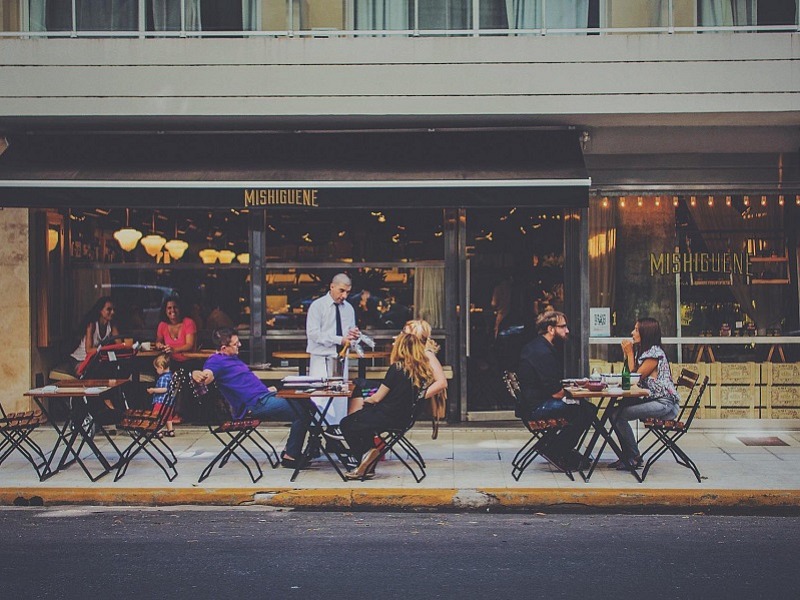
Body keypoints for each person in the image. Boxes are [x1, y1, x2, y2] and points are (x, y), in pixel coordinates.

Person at [192, 327, 313, 469]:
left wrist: (267, 389)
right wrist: (196, 374)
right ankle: (291, 456)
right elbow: (207, 376)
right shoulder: (216, 361)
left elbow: (244, 383)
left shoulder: (232, 358)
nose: (240, 345)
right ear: (224, 348)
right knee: (303, 411)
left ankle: (296, 450)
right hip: (255, 405)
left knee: (307, 403)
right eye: (236, 344)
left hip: (264, 396)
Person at [339, 331, 447, 480]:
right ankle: (368, 463)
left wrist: (365, 401)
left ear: (401, 348)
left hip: (387, 416)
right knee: (363, 423)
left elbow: (377, 398)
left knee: (347, 423)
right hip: (404, 418)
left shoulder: (396, 368)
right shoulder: (422, 371)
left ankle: (366, 455)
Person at [517, 310, 597, 472]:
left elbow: (553, 384)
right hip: (537, 407)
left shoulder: (540, 347)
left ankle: (561, 449)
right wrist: (577, 391)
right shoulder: (542, 352)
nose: (567, 331)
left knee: (585, 409)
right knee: (584, 411)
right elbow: (556, 392)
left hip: (533, 403)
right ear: (550, 329)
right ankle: (556, 450)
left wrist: (575, 387)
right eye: (563, 327)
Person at [608, 317, 680, 471]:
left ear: (645, 333)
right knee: (614, 411)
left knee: (618, 415)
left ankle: (632, 456)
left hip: (664, 404)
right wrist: (630, 354)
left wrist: (629, 353)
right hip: (654, 399)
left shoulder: (654, 354)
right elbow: (630, 375)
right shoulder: (645, 352)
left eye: (636, 329)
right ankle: (627, 456)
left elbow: (634, 378)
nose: (632, 333)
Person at [306, 273, 360, 424]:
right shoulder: (318, 306)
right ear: (332, 286)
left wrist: (354, 336)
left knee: (340, 400)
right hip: (321, 358)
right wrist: (339, 339)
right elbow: (313, 334)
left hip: (341, 359)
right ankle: (316, 437)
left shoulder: (348, 308)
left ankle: (335, 434)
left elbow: (350, 335)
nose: (344, 295)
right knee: (319, 398)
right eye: (341, 291)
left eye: (348, 292)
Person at [400, 319, 448, 438]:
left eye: (405, 334)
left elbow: (442, 382)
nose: (401, 336)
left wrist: (418, 398)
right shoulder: (413, 354)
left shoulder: (427, 354)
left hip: (410, 404)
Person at [69, 296, 119, 375]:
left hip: (94, 361)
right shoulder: (92, 325)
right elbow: (88, 350)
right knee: (89, 374)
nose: (113, 312)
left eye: (114, 310)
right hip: (80, 359)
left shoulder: (112, 325)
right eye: (109, 309)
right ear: (100, 311)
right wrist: (106, 349)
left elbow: (119, 344)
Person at [155, 295, 197, 363]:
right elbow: (158, 341)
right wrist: (159, 345)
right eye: (169, 308)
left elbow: (190, 345)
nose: (172, 310)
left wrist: (174, 350)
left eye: (175, 307)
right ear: (165, 311)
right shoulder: (162, 325)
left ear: (180, 309)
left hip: (188, 362)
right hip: (170, 362)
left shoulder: (189, 322)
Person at [147, 354, 175, 437]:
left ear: (161, 368)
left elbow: (164, 389)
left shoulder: (163, 378)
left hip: (161, 401)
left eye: (156, 369)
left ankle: (158, 430)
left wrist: (153, 390)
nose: (156, 371)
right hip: (169, 402)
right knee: (168, 417)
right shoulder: (171, 375)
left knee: (157, 416)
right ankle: (170, 430)